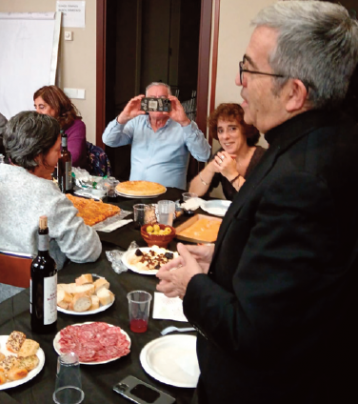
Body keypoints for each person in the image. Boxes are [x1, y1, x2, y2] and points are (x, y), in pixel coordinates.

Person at [154, 3, 358, 404]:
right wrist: (225, 253)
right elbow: (297, 278)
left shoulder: (301, 179)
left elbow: (251, 330)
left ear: (294, 93)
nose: (238, 80)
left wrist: (191, 283)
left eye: (248, 69)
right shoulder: (333, 137)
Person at [0, 111, 102, 311]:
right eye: (57, 150)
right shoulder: (49, 196)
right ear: (38, 155)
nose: (60, 155)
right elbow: (88, 252)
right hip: (33, 301)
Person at [102, 82, 211, 189]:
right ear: (145, 102)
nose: (157, 102)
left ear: (170, 101)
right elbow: (109, 140)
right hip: (136, 194)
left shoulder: (184, 126)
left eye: (162, 98)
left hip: (167, 199)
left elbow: (204, 155)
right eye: (152, 98)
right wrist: (123, 117)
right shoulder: (136, 122)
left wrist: (185, 122)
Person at [188, 103, 265, 200]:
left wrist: (232, 174)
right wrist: (211, 168)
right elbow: (192, 193)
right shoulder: (221, 155)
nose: (225, 136)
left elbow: (262, 202)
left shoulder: (264, 158)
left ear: (246, 130)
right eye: (220, 130)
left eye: (232, 128)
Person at [34, 85, 111, 176]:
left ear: (56, 106)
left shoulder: (76, 126)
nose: (37, 112)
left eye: (42, 107)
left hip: (71, 177)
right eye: (36, 107)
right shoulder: (38, 126)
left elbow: (71, 159)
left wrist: (38, 162)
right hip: (44, 174)